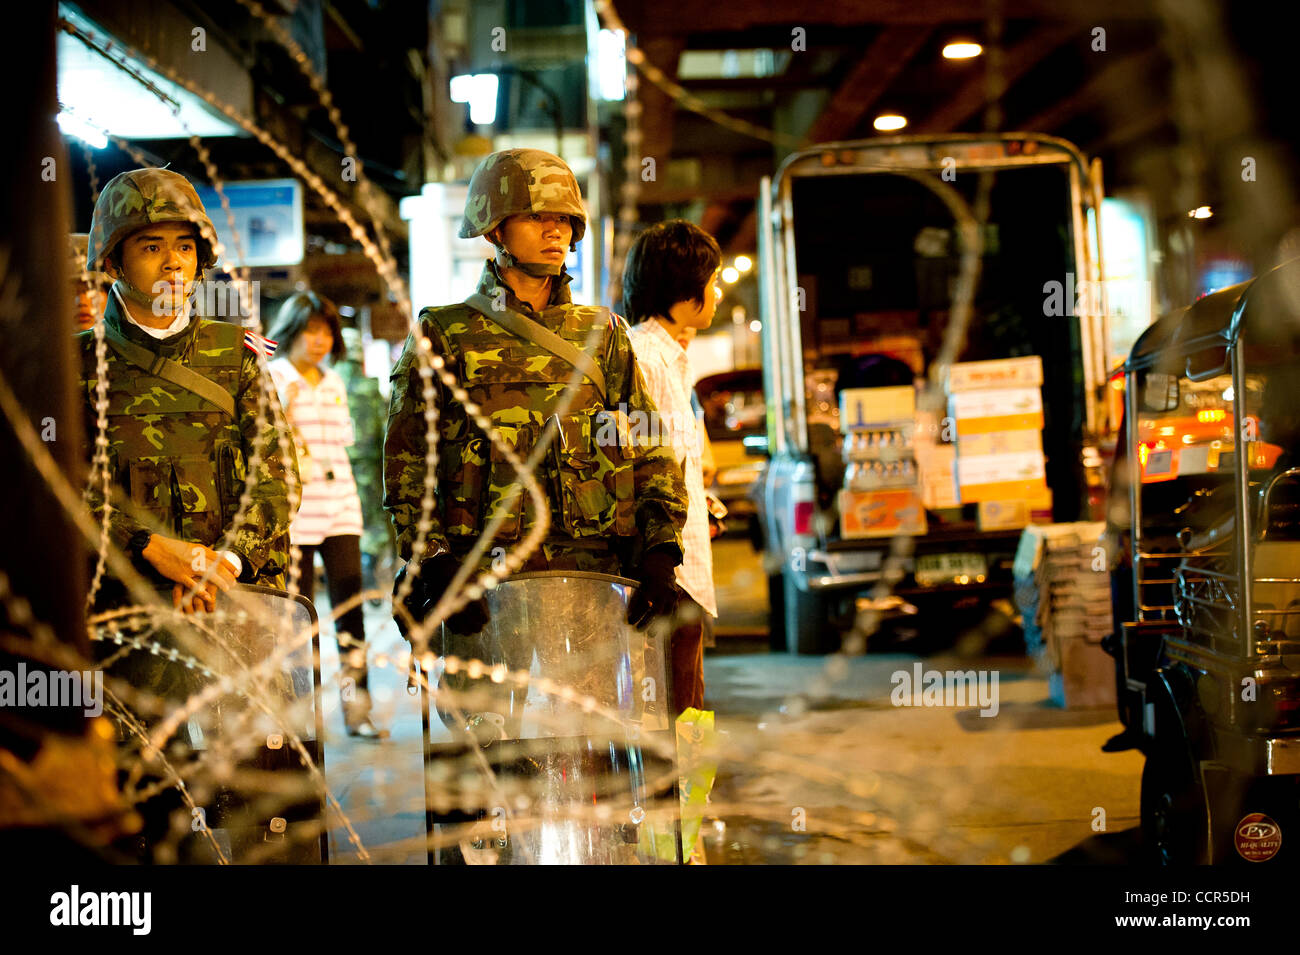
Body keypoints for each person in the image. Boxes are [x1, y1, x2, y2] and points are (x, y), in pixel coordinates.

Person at [384, 148, 688, 724]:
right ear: (496, 229)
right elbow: (408, 464)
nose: (557, 231)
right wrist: (437, 560)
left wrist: (659, 548)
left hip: (593, 581)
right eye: (537, 217)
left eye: (565, 219)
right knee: (484, 759)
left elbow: (649, 445)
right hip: (484, 586)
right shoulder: (444, 332)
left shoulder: (603, 334)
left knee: (601, 752)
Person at [76, 167, 299, 857]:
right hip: (126, 633)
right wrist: (150, 547)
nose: (174, 260)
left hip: (235, 620)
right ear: (111, 260)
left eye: (185, 244)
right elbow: (60, 488)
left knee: (260, 810)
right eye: (150, 245)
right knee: (146, 817)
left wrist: (224, 560)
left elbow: (275, 476)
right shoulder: (75, 366)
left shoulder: (235, 356)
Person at [269, 292, 385, 739]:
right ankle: (302, 718)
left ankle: (358, 712)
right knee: (298, 620)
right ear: (292, 330)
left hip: (341, 510)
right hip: (295, 517)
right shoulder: (274, 377)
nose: (318, 341)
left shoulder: (334, 381)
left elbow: (343, 446)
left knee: (350, 615)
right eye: (310, 330)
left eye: (326, 332)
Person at [622, 220, 722, 714]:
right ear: (683, 293)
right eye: (712, 282)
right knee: (676, 711)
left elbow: (666, 461)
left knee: (688, 707)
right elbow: (635, 463)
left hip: (682, 570)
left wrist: (701, 501)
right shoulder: (643, 357)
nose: (716, 293)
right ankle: (687, 793)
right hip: (667, 573)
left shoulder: (672, 359)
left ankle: (696, 792)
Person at [335, 327, 397, 599]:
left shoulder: (330, 382)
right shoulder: (369, 388)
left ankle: (348, 573)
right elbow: (385, 429)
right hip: (367, 465)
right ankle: (369, 571)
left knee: (342, 520)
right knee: (370, 519)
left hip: (336, 466)